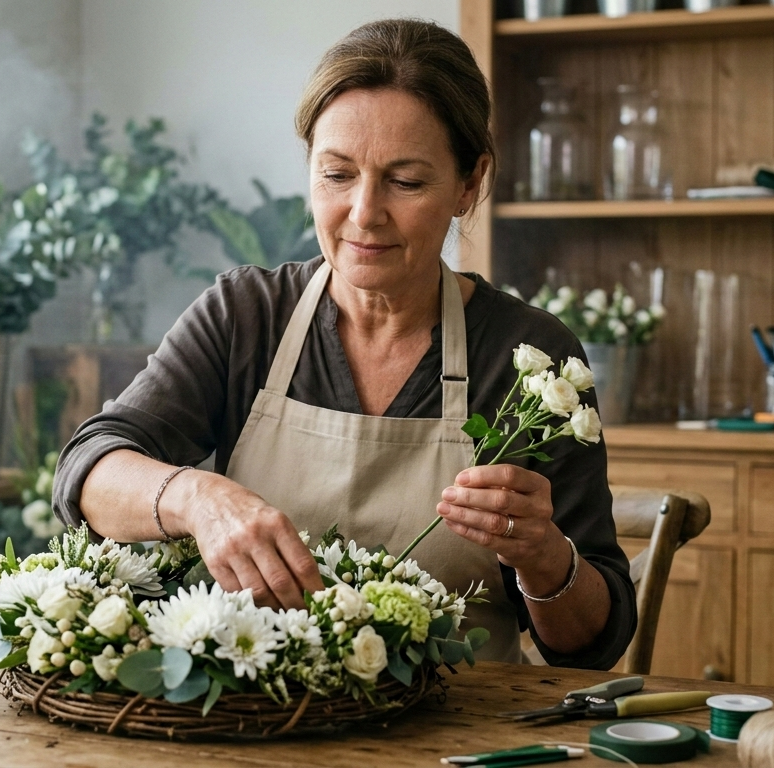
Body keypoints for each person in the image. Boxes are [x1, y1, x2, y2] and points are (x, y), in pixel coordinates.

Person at [53, 18, 635, 668]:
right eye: (336, 174)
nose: (363, 213)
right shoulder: (247, 315)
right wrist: (199, 498)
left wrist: (544, 556)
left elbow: (593, 645)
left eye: (405, 182)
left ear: (469, 184)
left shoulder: (530, 359)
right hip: (263, 714)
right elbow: (88, 468)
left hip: (459, 720)